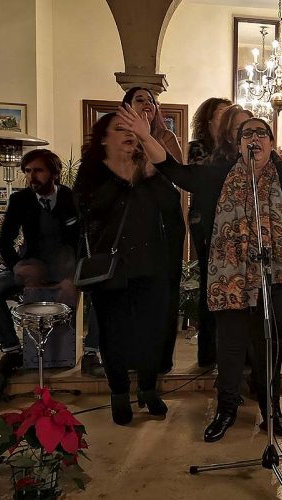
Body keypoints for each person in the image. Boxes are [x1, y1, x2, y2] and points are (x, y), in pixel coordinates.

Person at [118, 91, 282, 442]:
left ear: (272, 143)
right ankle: (226, 410)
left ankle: (271, 410)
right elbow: (175, 171)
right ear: (237, 143)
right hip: (228, 279)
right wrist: (145, 136)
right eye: (247, 133)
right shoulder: (218, 176)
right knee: (230, 346)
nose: (254, 138)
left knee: (269, 345)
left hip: (276, 278)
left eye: (261, 133)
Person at [73, 112, 171, 425]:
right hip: (109, 269)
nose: (129, 133)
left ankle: (147, 388)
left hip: (149, 266)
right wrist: (124, 178)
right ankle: (118, 393)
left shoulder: (150, 169)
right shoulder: (91, 173)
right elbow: (88, 210)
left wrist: (151, 174)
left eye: (133, 129)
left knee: (149, 333)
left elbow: (169, 206)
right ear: (104, 138)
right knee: (114, 335)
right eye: (120, 129)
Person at [0, 149, 80, 377]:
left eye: (38, 170)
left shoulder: (72, 198)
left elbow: (82, 243)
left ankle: (91, 352)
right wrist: (17, 265)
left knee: (103, 290)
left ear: (55, 173)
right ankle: (11, 350)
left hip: (67, 267)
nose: (32, 176)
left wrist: (73, 278)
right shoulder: (19, 200)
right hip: (32, 265)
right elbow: (3, 242)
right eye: (28, 171)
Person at [121, 87, 185, 374]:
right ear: (126, 107)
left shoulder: (167, 138)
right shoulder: (118, 140)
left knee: (166, 288)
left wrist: (147, 141)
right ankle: (134, 355)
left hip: (165, 220)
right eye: (140, 100)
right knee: (135, 288)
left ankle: (162, 358)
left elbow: (170, 172)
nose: (148, 104)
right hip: (132, 223)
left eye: (152, 100)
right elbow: (129, 176)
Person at [193, 104, 252, 366]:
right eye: (241, 129)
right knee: (224, 307)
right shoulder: (214, 166)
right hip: (223, 247)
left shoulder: (265, 164)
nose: (250, 136)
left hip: (253, 249)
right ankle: (216, 361)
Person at [187, 97, 231, 164]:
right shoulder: (195, 148)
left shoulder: (233, 148)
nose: (227, 118)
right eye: (222, 113)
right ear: (209, 117)